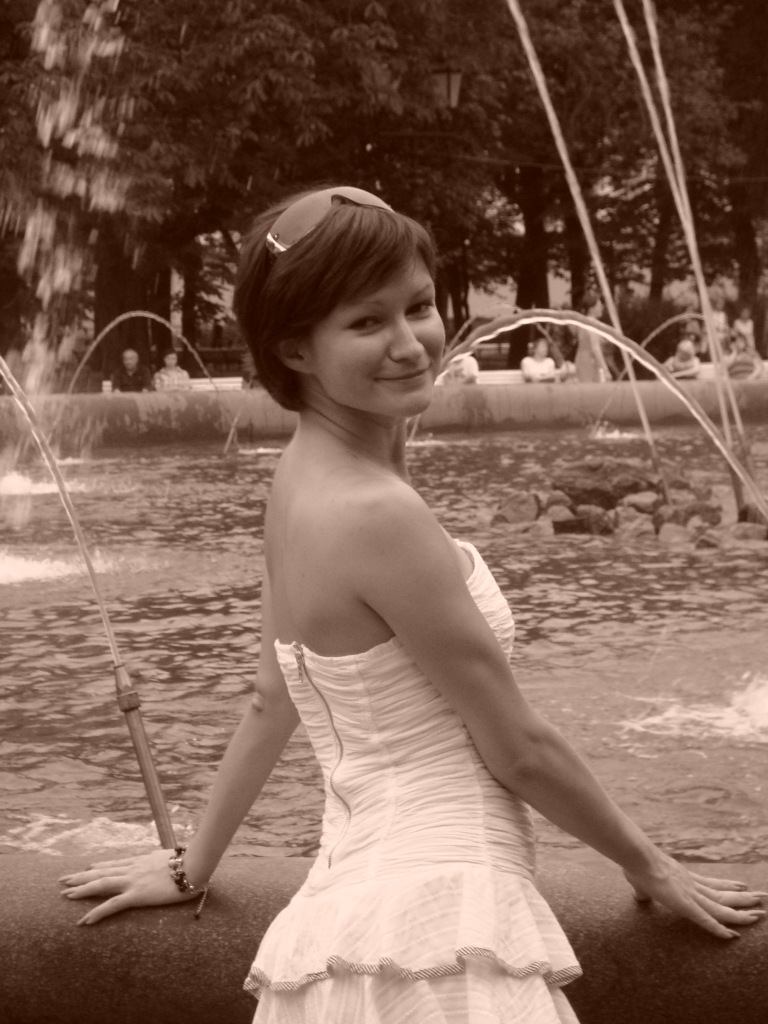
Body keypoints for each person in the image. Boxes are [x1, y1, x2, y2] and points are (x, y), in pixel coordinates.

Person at [59, 186, 765, 1023]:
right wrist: (650, 864)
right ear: (295, 348)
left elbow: (272, 696)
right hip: (444, 933)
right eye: (367, 322)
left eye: (420, 307)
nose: (410, 343)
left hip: (351, 919)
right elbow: (518, 748)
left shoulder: (297, 482)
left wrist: (191, 866)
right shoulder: (376, 513)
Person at [573, 293, 611, 382]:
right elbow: (595, 348)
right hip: (589, 362)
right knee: (591, 388)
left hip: (583, 360)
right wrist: (605, 369)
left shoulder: (584, 321)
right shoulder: (591, 324)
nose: (602, 307)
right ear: (591, 308)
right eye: (599, 305)